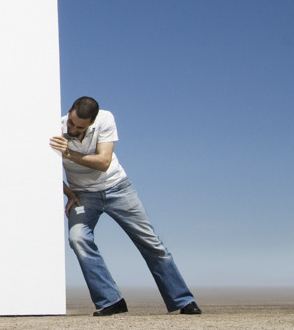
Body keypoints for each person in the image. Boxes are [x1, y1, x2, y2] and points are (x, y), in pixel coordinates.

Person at [51, 96, 201, 316]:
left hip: (118, 188)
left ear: (92, 122)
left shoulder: (106, 119)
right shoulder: (55, 128)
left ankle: (182, 300)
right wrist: (68, 193)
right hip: (83, 195)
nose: (72, 129)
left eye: (80, 126)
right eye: (71, 123)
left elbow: (103, 162)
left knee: (150, 242)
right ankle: (110, 300)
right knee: (78, 238)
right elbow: (42, 166)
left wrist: (69, 153)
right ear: (70, 111)